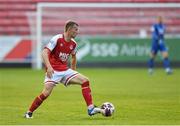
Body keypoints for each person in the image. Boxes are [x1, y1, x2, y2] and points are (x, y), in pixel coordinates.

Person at [24, 21, 104, 118]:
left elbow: (74, 57)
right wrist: (49, 67)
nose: (77, 32)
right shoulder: (57, 39)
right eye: (76, 29)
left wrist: (73, 71)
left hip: (65, 70)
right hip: (53, 71)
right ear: (69, 30)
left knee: (85, 81)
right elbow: (44, 52)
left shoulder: (73, 43)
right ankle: (29, 112)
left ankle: (90, 108)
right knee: (46, 93)